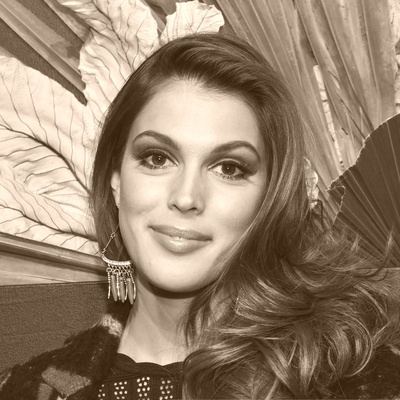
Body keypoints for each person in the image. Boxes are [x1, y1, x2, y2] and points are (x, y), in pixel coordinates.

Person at [1, 33, 400, 400]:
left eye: (229, 168)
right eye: (157, 158)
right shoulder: (27, 389)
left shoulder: (353, 378)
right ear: (117, 182)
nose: (186, 197)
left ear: (268, 200)